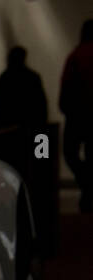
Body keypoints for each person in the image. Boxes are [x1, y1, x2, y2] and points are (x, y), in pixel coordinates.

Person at [60, 19, 93, 212]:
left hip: (77, 116)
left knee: (70, 153)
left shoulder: (76, 56)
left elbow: (67, 86)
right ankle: (89, 190)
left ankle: (87, 187)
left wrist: (67, 109)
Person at [0, 46, 48, 133]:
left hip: (8, 124)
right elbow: (41, 103)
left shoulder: (5, 77)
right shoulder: (32, 77)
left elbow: (0, 103)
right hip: (29, 124)